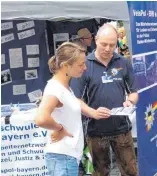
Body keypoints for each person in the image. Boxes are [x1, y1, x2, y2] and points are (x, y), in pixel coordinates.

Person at [71, 24, 139, 176]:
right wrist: (93, 113)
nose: (108, 49)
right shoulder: (84, 65)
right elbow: (76, 99)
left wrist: (131, 101)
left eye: (112, 45)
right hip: (95, 130)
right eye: (104, 44)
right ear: (96, 40)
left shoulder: (123, 62)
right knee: (100, 172)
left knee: (130, 171)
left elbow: (134, 92)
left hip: (121, 128)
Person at [35, 41, 111, 176]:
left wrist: (93, 113)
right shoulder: (55, 88)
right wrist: (60, 129)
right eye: (81, 64)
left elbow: (73, 102)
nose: (85, 68)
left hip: (67, 156)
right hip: (63, 156)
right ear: (65, 66)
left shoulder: (64, 87)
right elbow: (41, 119)